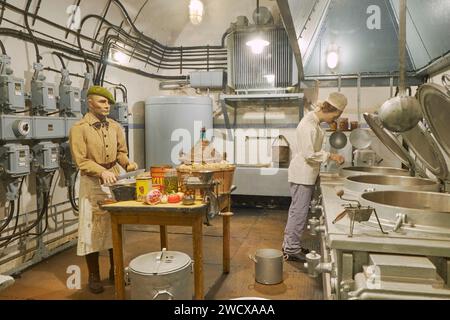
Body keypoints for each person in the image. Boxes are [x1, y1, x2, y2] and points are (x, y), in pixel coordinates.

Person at [69, 86, 138, 293]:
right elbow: (81, 161)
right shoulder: (79, 128)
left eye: (108, 103)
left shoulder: (115, 126)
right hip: (92, 183)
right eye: (102, 102)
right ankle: (93, 276)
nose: (107, 106)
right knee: (91, 229)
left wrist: (128, 164)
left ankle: (115, 270)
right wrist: (101, 172)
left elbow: (121, 152)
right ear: (90, 103)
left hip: (114, 179)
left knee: (114, 226)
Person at [282, 92, 347, 261]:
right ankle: (291, 248)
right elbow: (309, 154)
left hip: (307, 174)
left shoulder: (315, 122)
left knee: (297, 211)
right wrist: (331, 156)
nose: (335, 120)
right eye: (336, 116)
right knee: (299, 212)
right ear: (332, 112)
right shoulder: (308, 125)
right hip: (302, 175)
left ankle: (290, 244)